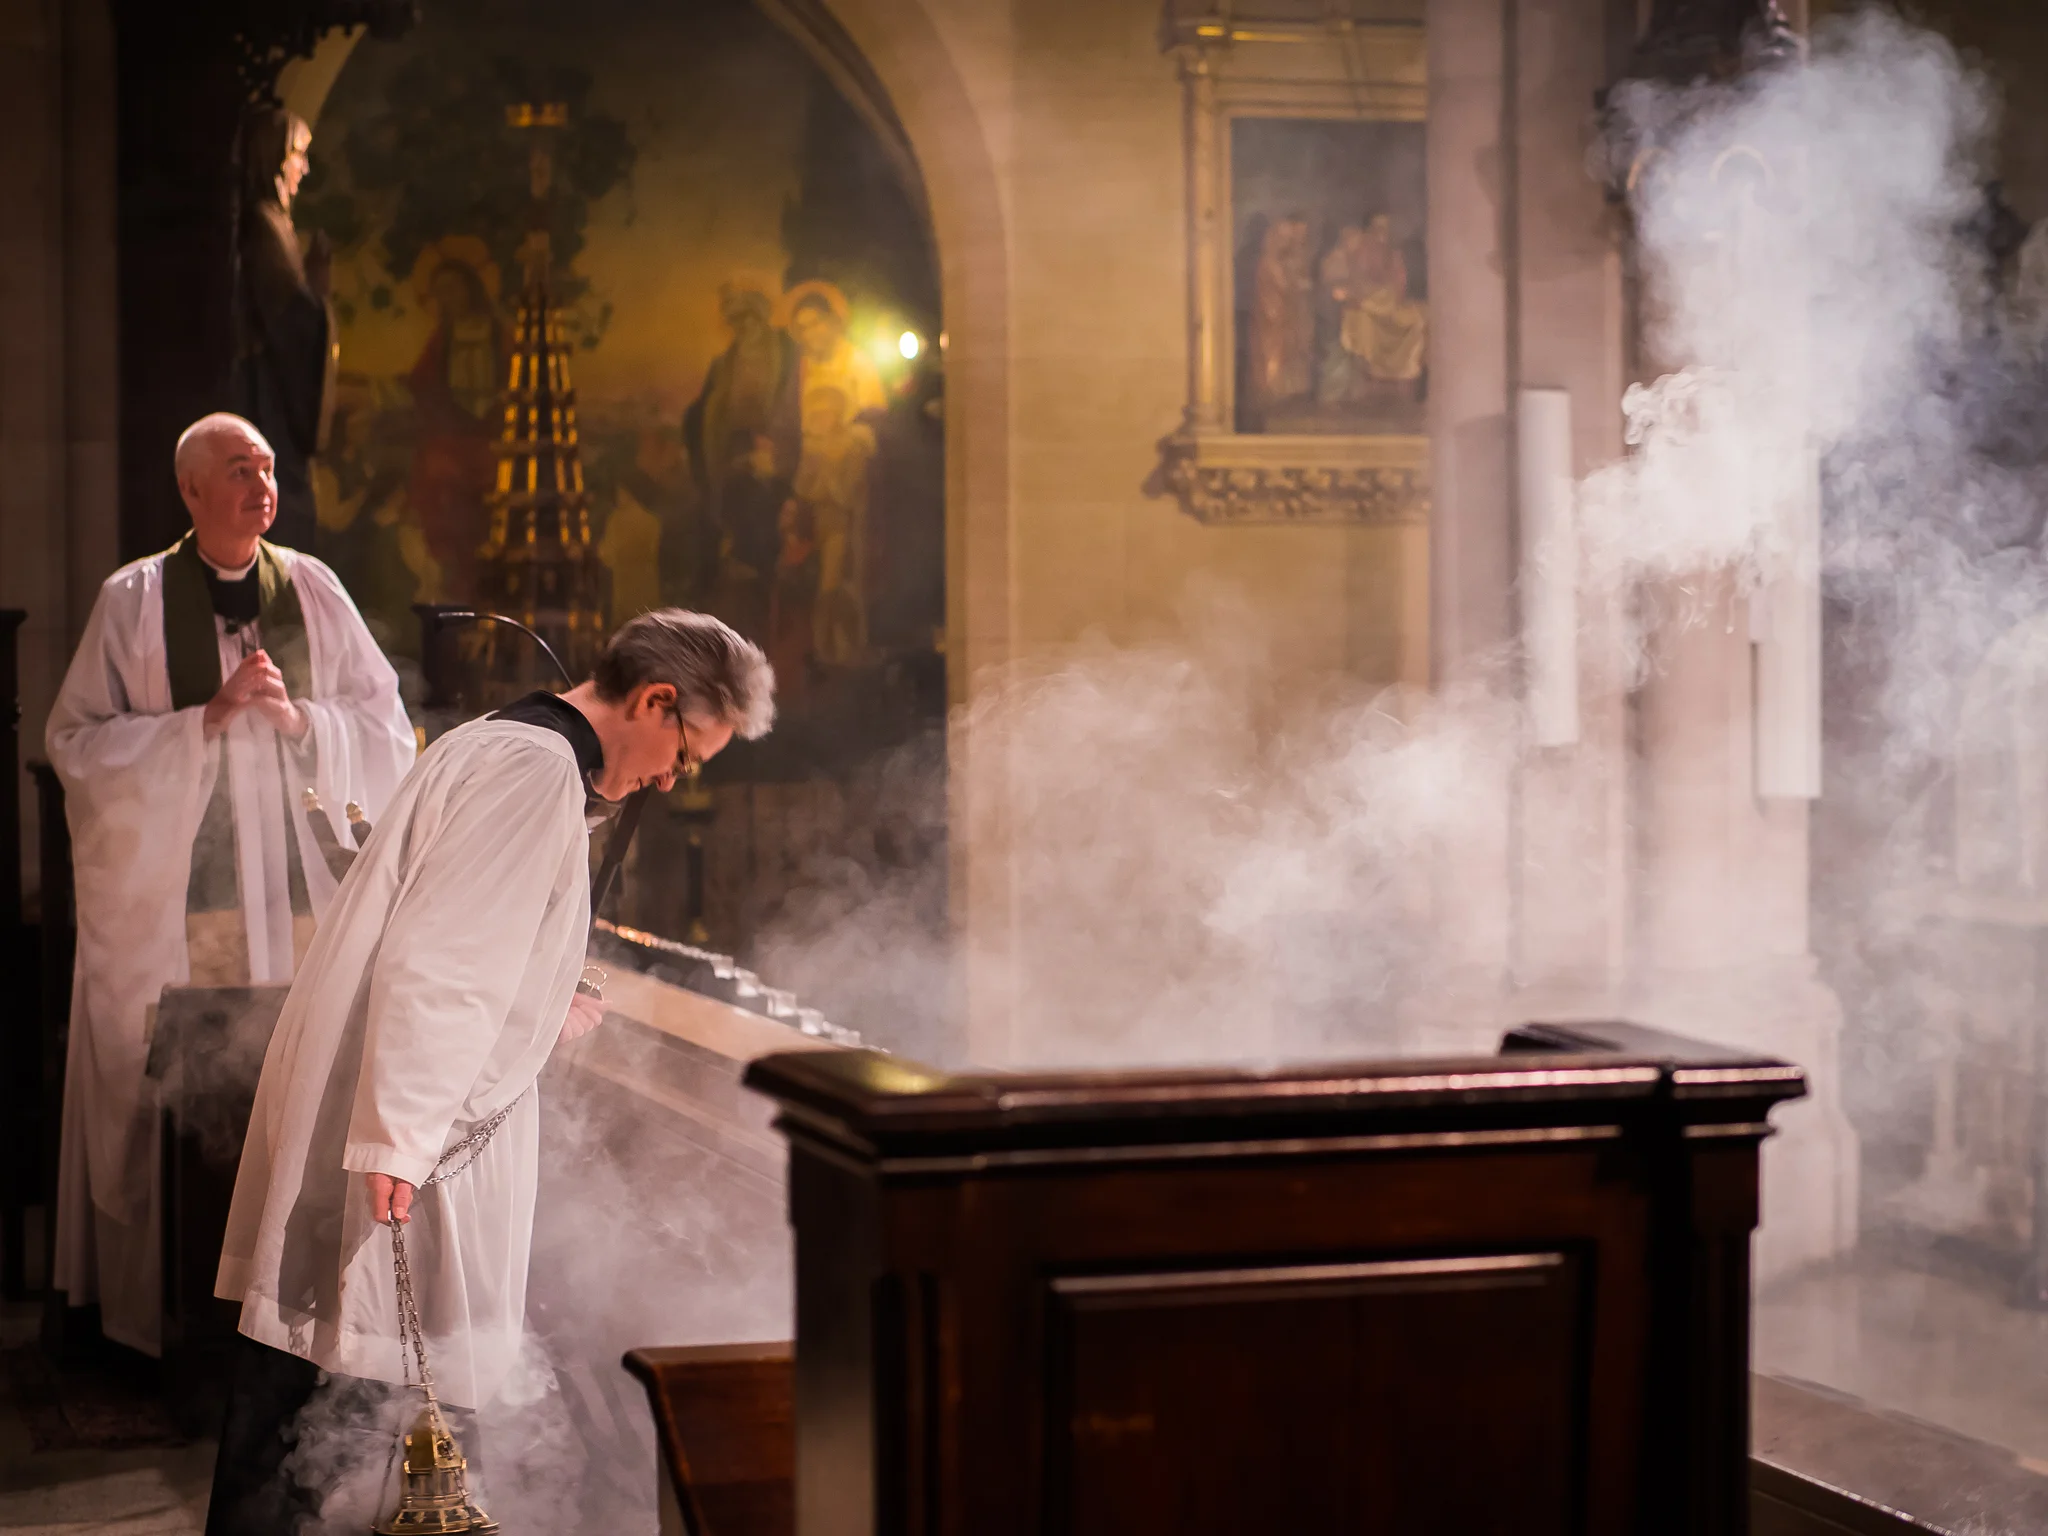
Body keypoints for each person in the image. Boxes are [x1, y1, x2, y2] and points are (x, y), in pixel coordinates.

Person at [205, 609, 775, 1536]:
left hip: (405, 1110)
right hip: (411, 1137)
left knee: (335, 1391)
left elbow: (470, 938)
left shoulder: (508, 744)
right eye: (686, 754)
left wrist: (546, 1002)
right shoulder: (531, 771)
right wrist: (399, 1138)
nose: (673, 779)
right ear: (656, 699)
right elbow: (443, 964)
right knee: (357, 1400)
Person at [45, 413, 416, 1358]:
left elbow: (386, 726)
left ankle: (295, 1314)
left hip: (298, 901)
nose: (261, 486)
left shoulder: (314, 589)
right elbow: (74, 744)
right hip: (183, 902)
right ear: (192, 491)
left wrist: (304, 725)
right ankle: (179, 1325)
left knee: (303, 1080)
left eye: (268, 469)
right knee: (187, 1095)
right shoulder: (133, 600)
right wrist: (201, 722)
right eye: (239, 470)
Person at [233, 109, 336, 553]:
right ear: (274, 157)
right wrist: (317, 291)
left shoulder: (278, 225)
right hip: (268, 396)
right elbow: (293, 321)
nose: (304, 168)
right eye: (298, 154)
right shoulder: (265, 225)